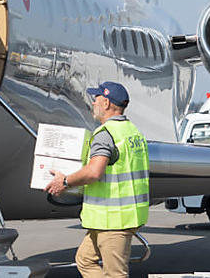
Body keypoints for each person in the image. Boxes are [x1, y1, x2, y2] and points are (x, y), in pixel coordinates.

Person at [45, 81, 150, 278]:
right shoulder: (133, 132)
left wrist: (65, 181)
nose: (93, 103)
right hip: (118, 217)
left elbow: (94, 172)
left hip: (113, 220)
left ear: (106, 103)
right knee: (84, 260)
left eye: (96, 98)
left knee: (115, 274)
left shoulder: (105, 135)